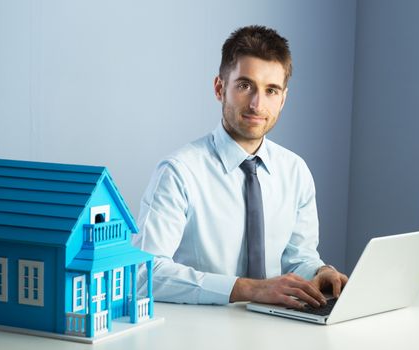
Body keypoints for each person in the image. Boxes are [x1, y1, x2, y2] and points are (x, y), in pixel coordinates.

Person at [133, 25, 348, 309]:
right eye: (245, 86)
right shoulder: (178, 172)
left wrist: (319, 272)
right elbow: (143, 274)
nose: (257, 104)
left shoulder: (296, 172)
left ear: (283, 99)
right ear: (220, 88)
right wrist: (249, 289)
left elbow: (299, 257)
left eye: (271, 90)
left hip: (276, 327)